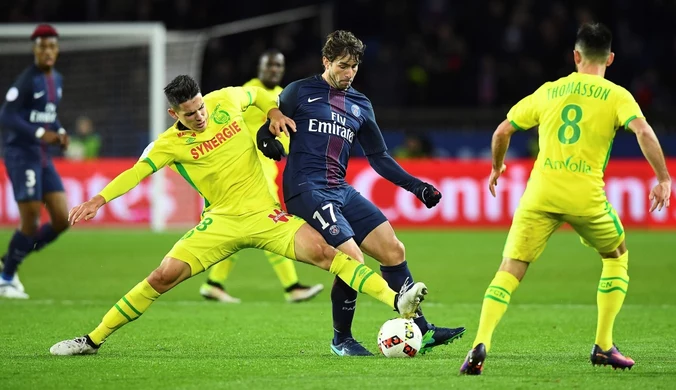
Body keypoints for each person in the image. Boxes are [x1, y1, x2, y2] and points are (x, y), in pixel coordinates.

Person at [49, 75, 428, 356]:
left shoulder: (225, 99)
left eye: (200, 107)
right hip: (220, 223)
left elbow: (260, 94)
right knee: (162, 276)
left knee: (334, 255)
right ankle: (93, 339)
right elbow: (136, 173)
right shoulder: (167, 144)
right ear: (173, 113)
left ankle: (398, 301)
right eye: (189, 113)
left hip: (267, 216)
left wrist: (274, 110)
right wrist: (100, 199)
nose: (199, 115)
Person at [459, 23, 671, 375]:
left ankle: (481, 342)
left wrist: (496, 168)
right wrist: (662, 178)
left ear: (575, 56)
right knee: (616, 256)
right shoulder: (617, 95)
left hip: (540, 193)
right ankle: (603, 345)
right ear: (611, 58)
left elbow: (502, 130)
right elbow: (643, 131)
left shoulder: (549, 91)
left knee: (510, 268)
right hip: (585, 196)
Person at [257, 30, 465, 356]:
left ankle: (423, 331)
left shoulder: (360, 104)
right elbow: (266, 127)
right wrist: (266, 140)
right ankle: (342, 339)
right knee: (352, 257)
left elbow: (379, 158)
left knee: (393, 250)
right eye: (342, 66)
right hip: (306, 188)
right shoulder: (299, 92)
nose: (349, 73)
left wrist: (417, 186)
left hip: (340, 189)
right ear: (326, 61)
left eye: (354, 67)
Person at [200, 49, 324, 304]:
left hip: (267, 169)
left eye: (278, 66)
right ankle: (292, 287)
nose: (274, 70)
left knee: (241, 227)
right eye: (269, 66)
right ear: (259, 68)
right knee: (271, 221)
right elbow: (229, 125)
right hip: (249, 170)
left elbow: (283, 133)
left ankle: (214, 283)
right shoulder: (249, 91)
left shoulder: (282, 95)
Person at [0, 24, 70, 299]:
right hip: (21, 154)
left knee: (62, 219)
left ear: (57, 49)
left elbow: (49, 116)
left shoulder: (58, 80)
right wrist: (42, 133)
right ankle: (6, 278)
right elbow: (6, 116)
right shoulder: (27, 80)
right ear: (35, 50)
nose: (48, 52)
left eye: (52, 46)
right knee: (30, 221)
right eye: (42, 47)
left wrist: (60, 131)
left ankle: (10, 261)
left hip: (42, 156)